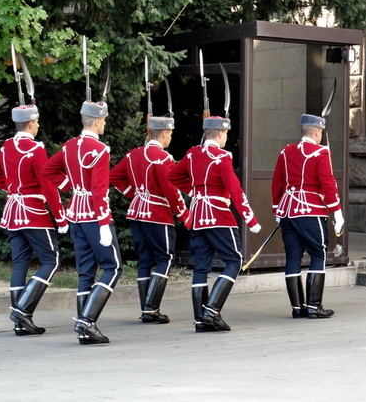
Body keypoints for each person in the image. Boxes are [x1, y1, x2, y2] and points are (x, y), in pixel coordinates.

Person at [168, 116, 262, 332]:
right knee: (234, 260)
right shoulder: (222, 157)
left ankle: (201, 319)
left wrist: (194, 192)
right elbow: (236, 190)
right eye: (226, 134)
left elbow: (173, 175)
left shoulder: (193, 154)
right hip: (218, 214)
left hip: (199, 216)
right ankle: (212, 310)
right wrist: (251, 219)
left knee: (201, 266)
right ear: (220, 134)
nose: (226, 138)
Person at [41, 100, 122, 345]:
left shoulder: (69, 147)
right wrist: (104, 223)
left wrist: (72, 188)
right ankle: (87, 321)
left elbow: (48, 170)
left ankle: (83, 324)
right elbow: (99, 192)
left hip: (75, 215)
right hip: (93, 218)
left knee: (86, 272)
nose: (105, 123)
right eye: (104, 120)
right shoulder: (99, 150)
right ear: (97, 121)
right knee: (113, 267)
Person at [0, 104, 68, 336]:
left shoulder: (7, 146)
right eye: (37, 122)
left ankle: (20, 322)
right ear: (31, 123)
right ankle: (22, 310)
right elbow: (48, 185)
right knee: (51, 260)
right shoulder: (36, 149)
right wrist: (60, 217)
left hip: (12, 212)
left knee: (20, 262)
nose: (38, 125)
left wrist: (13, 189)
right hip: (33, 213)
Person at [109, 116, 189, 324]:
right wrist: (184, 215)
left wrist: (134, 194)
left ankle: (146, 306)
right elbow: (171, 190)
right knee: (166, 258)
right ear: (163, 133)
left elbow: (115, 177)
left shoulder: (133, 155)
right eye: (170, 134)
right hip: (157, 214)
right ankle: (151, 309)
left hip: (136, 212)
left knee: (145, 260)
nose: (170, 138)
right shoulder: (163, 158)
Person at [272, 114, 344, 319]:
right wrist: (336, 212)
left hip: (287, 211)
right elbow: (328, 184)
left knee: (293, 256)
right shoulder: (320, 152)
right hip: (310, 210)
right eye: (320, 132)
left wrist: (277, 209)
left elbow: (277, 182)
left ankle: (297, 307)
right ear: (316, 132)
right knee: (318, 254)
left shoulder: (286, 152)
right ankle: (314, 306)